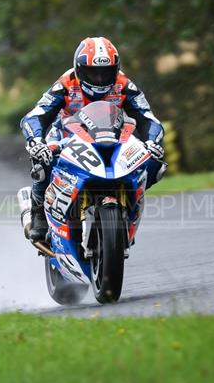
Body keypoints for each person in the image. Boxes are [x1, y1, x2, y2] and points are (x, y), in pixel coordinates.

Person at [19, 36, 166, 242]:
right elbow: (35, 116)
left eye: (105, 73)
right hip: (68, 137)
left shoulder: (124, 85)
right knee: (44, 158)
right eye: (92, 72)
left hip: (113, 137)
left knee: (153, 163)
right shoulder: (65, 84)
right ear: (79, 69)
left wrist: (152, 142)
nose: (99, 79)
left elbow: (148, 118)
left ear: (115, 70)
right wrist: (36, 141)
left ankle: (128, 207)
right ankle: (38, 211)